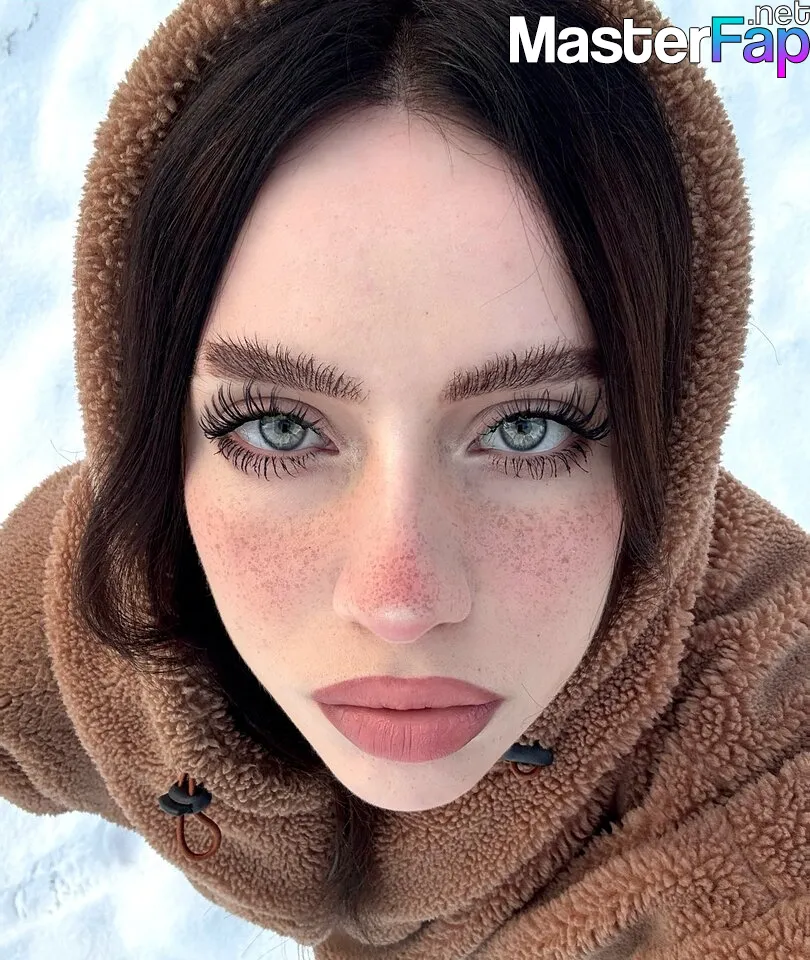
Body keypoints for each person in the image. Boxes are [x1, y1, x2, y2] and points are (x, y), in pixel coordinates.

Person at [0, 0, 807, 956]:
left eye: (529, 427)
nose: (400, 604)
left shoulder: (765, 750)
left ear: (667, 434)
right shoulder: (90, 608)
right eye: (278, 426)